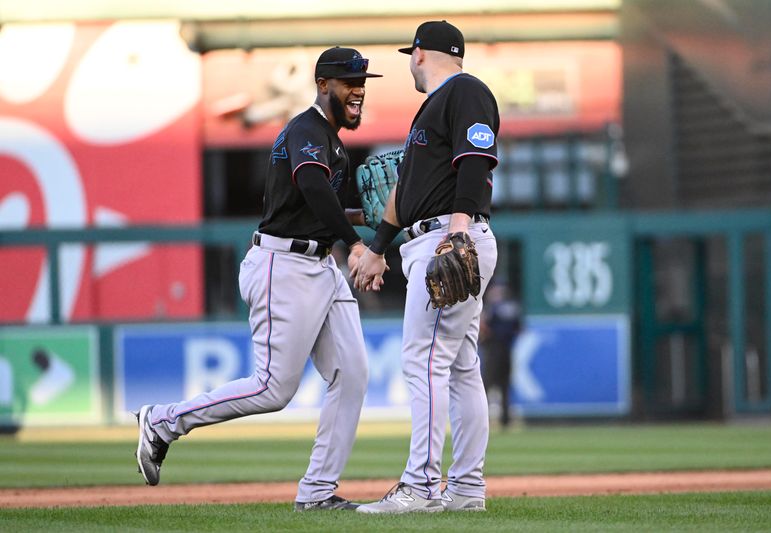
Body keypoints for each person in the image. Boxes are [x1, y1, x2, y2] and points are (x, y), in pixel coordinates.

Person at [134, 46, 382, 512]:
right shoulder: (306, 130)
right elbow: (310, 186)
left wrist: (366, 217)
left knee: (352, 374)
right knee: (273, 389)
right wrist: (355, 241)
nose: (359, 91)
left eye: (363, 83)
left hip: (319, 266)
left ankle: (316, 493)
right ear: (323, 84)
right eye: (350, 82)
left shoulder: (331, 142)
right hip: (283, 265)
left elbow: (316, 207)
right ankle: (162, 423)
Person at [352, 20, 500, 513]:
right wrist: (377, 247)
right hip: (431, 235)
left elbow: (477, 158)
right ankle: (465, 489)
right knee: (458, 367)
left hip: (448, 236)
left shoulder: (465, 91)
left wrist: (458, 230)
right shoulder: (431, 108)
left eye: (409, 56)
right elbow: (403, 193)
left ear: (418, 53)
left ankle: (420, 485)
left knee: (425, 359)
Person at [480, 281, 522, 428]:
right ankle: (505, 419)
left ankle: (480, 417)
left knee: (486, 384)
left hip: (493, 348)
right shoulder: (513, 307)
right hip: (507, 348)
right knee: (504, 384)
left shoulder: (493, 308)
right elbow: (519, 328)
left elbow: (484, 327)